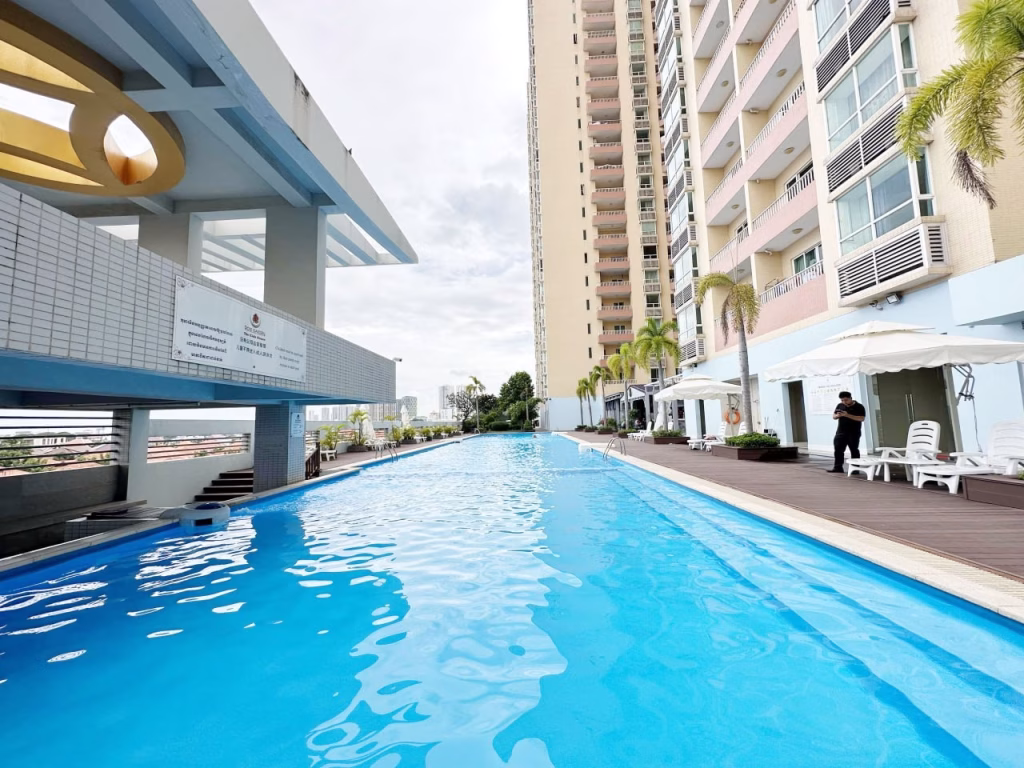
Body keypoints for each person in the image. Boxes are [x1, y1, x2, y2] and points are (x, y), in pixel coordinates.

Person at [829, 391, 866, 473]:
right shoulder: (840, 405)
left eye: (846, 400)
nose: (844, 402)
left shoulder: (859, 407)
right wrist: (838, 416)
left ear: (850, 398)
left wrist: (847, 415)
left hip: (854, 432)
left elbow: (861, 418)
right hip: (841, 432)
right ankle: (838, 467)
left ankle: (855, 469)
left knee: (854, 450)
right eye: (842, 400)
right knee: (838, 449)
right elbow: (834, 416)